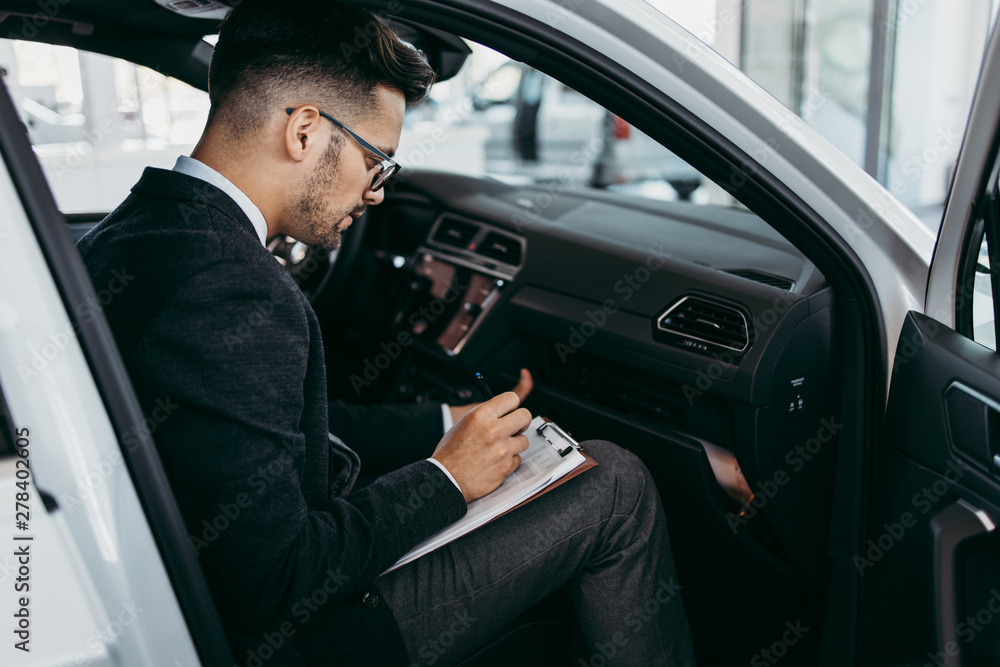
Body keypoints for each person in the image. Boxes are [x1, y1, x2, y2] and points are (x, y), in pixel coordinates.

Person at [76, 1, 695, 665]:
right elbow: (275, 583)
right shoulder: (233, 285)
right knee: (616, 486)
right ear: (306, 131)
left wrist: (441, 421)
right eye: (378, 161)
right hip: (297, 639)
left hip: (184, 590)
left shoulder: (130, 234)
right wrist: (445, 478)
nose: (377, 194)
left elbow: (267, 425)